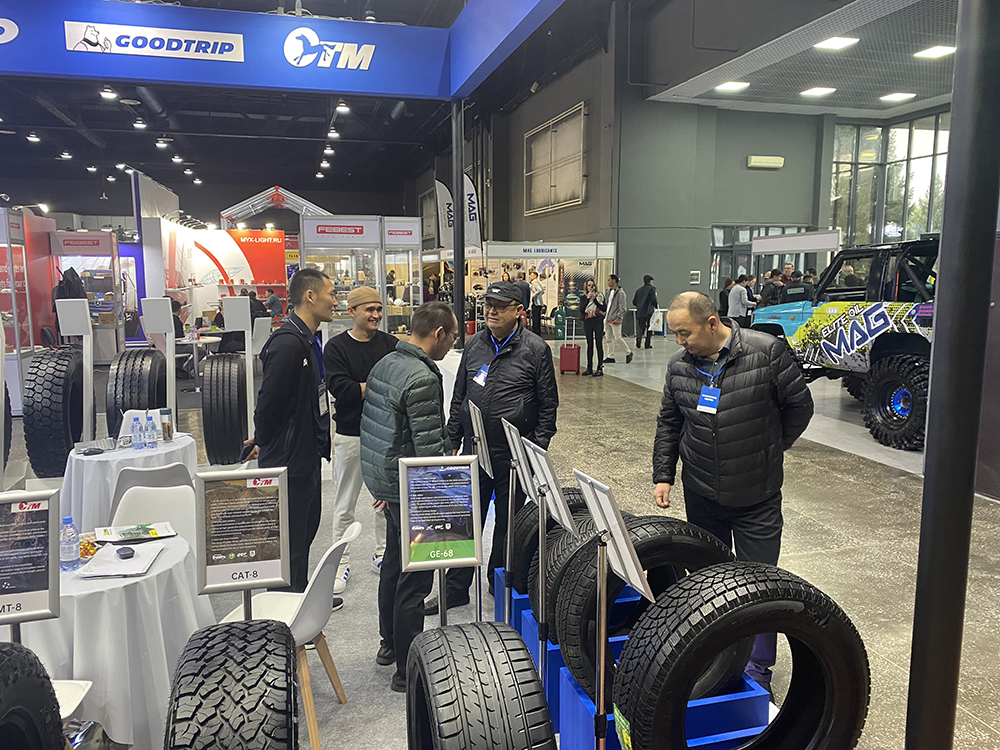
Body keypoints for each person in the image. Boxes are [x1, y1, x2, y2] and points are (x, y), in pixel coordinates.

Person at [653, 291, 813, 698]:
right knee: (711, 579)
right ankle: (717, 655)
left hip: (757, 494)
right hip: (702, 492)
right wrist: (663, 475)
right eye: (675, 334)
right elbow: (669, 423)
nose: (679, 342)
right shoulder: (679, 366)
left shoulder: (766, 352)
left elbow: (799, 407)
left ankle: (758, 668)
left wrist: (770, 449)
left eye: (685, 333)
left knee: (760, 582)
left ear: (711, 323)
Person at [433, 280, 559, 615]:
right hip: (475, 448)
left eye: (500, 306)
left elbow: (548, 406)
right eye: (488, 305)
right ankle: (456, 588)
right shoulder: (475, 344)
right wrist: (453, 441)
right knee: (464, 520)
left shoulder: (535, 349)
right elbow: (460, 395)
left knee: (508, 523)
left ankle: (498, 581)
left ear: (518, 311)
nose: (490, 311)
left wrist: (534, 450)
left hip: (513, 456)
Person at [360, 301, 458, 692]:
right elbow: (429, 450)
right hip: (409, 487)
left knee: (393, 564)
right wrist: (443, 496)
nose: (452, 345)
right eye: (452, 337)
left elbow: (377, 428)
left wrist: (381, 482)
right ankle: (407, 668)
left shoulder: (386, 363)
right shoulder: (421, 377)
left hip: (387, 479)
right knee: (415, 579)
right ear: (438, 334)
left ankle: (388, 644)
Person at [246, 268, 337, 594]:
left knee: (303, 536)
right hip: (288, 463)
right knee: (288, 543)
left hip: (306, 455)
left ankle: (300, 599)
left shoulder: (308, 340)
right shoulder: (288, 344)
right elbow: (268, 404)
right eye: (331, 294)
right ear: (310, 296)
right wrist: (264, 441)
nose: (335, 302)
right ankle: (285, 611)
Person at [324, 286, 396, 594]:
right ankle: (340, 562)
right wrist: (380, 386)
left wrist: (363, 387)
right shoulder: (336, 348)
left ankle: (383, 554)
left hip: (385, 436)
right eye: (369, 309)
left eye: (379, 309)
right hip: (350, 435)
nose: (376, 315)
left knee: (385, 503)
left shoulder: (391, 344)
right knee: (345, 505)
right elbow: (342, 390)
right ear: (351, 311)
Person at [603, 274, 633, 364]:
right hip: (607, 318)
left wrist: (618, 317)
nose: (608, 282)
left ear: (614, 281)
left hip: (615, 319)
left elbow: (622, 307)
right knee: (608, 338)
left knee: (618, 338)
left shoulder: (620, 293)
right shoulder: (608, 292)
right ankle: (610, 356)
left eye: (609, 280)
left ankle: (628, 352)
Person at [581, 278, 606, 376]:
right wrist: (588, 298)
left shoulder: (600, 295)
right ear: (586, 287)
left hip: (597, 320)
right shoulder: (583, 297)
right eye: (589, 285)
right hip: (588, 320)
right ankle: (589, 368)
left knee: (599, 343)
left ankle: (600, 367)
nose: (591, 287)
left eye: (592, 285)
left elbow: (603, 307)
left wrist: (595, 299)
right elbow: (581, 309)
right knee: (589, 344)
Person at [632, 274, 658, 350]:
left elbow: (634, 302)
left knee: (641, 327)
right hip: (649, 311)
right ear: (650, 281)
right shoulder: (652, 289)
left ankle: (639, 339)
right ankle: (647, 344)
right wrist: (656, 306)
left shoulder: (638, 290)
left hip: (640, 311)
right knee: (650, 327)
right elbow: (653, 299)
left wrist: (639, 306)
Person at [529, 271, 545, 335]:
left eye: (531, 275)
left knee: (535, 318)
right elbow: (542, 291)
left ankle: (535, 332)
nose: (530, 277)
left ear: (535, 276)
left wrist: (534, 295)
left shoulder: (535, 282)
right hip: (538, 302)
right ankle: (537, 331)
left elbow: (540, 290)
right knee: (537, 318)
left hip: (536, 303)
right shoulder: (538, 282)